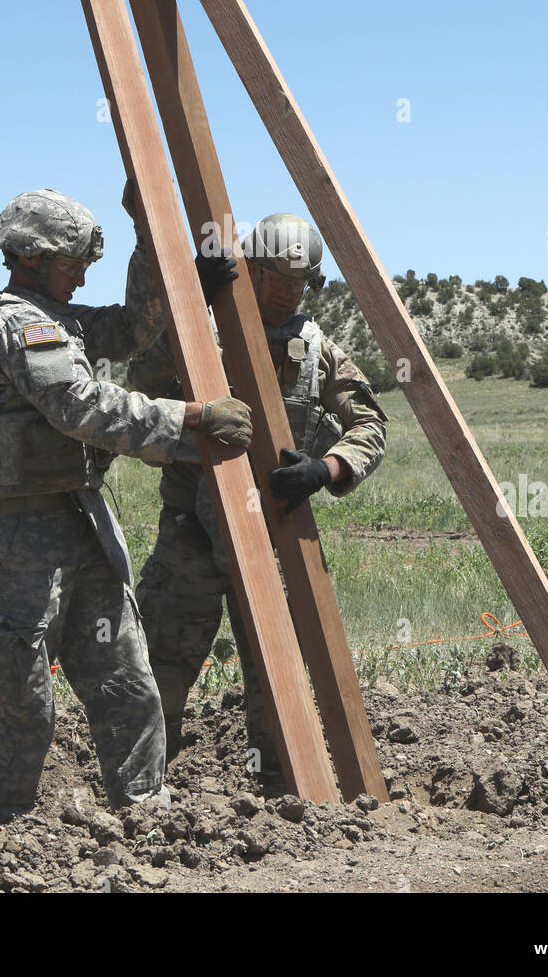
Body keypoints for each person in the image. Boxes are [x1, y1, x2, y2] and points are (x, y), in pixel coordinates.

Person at [0, 186, 252, 826]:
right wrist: (191, 419)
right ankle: (3, 833)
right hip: (24, 545)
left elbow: (136, 327)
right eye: (73, 263)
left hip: (83, 529)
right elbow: (81, 406)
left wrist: (154, 243)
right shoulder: (17, 323)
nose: (83, 274)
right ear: (30, 257)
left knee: (128, 686)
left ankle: (146, 821)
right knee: (28, 705)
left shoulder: (67, 320)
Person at [129, 212, 388, 776]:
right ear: (248, 268)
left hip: (275, 542)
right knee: (158, 674)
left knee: (279, 680)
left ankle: (281, 803)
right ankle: (143, 801)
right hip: (190, 539)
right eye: (274, 277)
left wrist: (328, 469)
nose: (284, 292)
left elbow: (372, 424)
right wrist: (190, 300)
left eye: (298, 283)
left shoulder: (319, 350)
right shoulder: (201, 331)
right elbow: (141, 382)